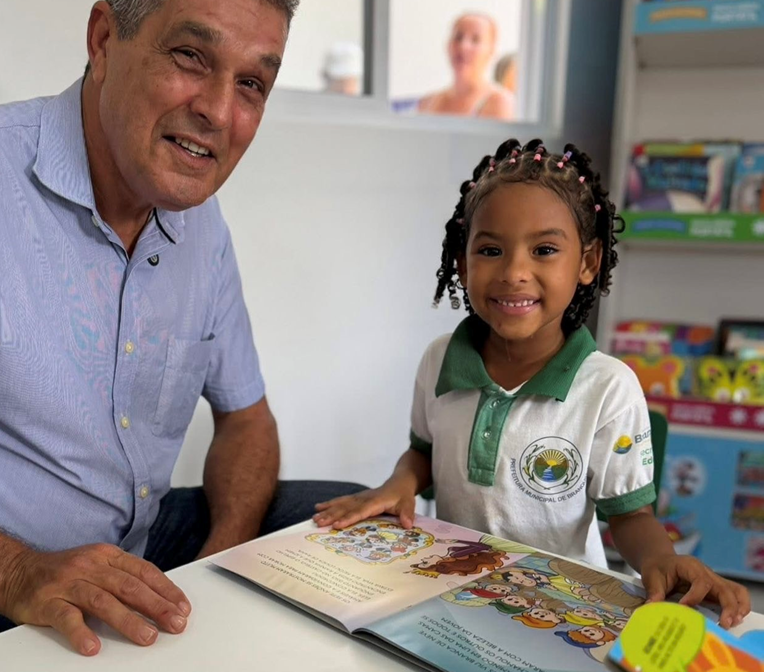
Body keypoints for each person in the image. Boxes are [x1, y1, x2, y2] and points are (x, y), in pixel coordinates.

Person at [0, 0, 364, 668]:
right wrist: (18, 573)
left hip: (126, 551)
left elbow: (247, 422)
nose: (218, 112)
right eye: (191, 57)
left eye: (251, 84)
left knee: (354, 529)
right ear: (105, 39)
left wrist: (221, 566)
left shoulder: (200, 226)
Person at [314, 138, 750, 629]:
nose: (514, 273)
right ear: (463, 263)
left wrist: (661, 560)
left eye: (544, 250)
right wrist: (400, 483)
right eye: (490, 250)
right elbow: (423, 451)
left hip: (561, 611)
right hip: (453, 595)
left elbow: (630, 516)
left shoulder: (608, 388)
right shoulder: (439, 359)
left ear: (587, 263)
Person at [417, 13, 514, 119]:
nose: (463, 46)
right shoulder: (427, 103)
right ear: (448, 45)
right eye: (458, 37)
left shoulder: (501, 103)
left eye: (475, 40)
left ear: (491, 51)